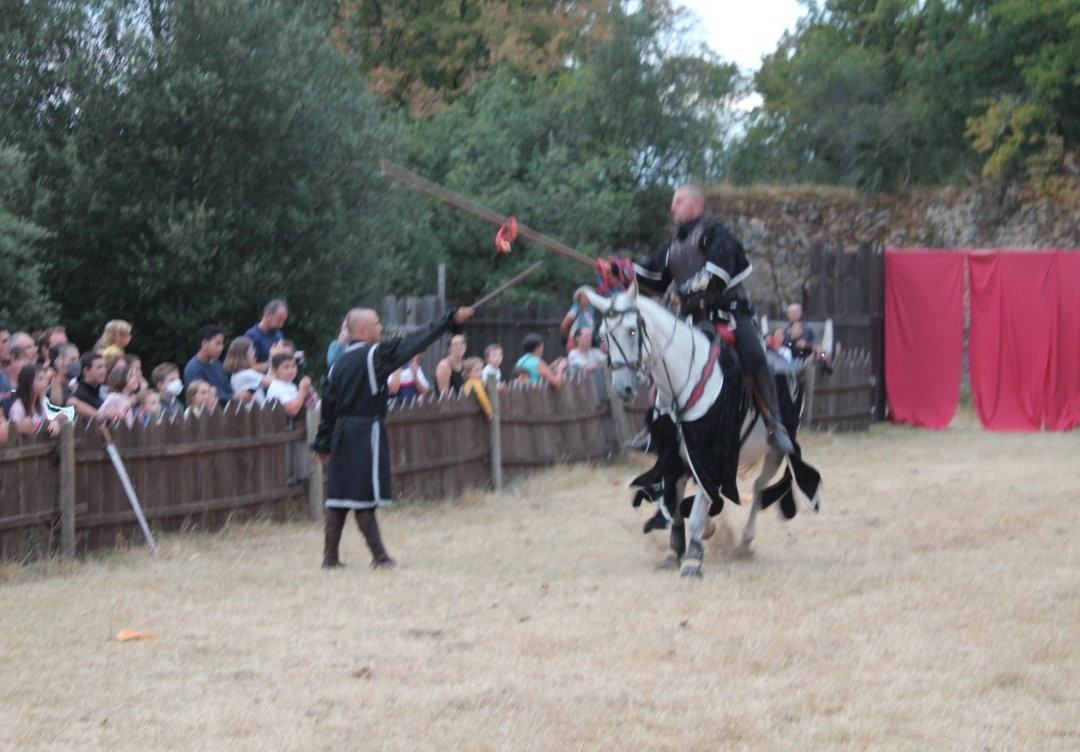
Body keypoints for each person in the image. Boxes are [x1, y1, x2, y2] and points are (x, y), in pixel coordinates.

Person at [628, 183, 794, 455]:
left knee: (754, 355)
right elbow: (647, 277)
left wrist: (683, 290)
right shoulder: (673, 247)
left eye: (678, 201)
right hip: (691, 322)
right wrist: (618, 270)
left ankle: (775, 423)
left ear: (696, 205)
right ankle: (656, 429)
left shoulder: (717, 234)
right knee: (662, 363)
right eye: (673, 202)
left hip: (729, 315)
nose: (672, 207)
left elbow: (717, 277)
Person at [312, 304, 474, 569]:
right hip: (365, 431)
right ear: (364, 329)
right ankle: (380, 557)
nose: (381, 327)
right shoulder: (374, 355)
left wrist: (324, 443)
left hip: (342, 432)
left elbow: (327, 410)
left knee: (339, 496)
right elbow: (413, 342)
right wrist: (450, 319)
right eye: (377, 323)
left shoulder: (336, 364)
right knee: (363, 496)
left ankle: (330, 557)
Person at [183, 325, 236, 407]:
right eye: (218, 343)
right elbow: (200, 396)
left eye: (222, 344)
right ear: (205, 343)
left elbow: (227, 387)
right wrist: (231, 397)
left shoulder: (217, 364)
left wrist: (236, 396)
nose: (221, 348)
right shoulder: (193, 368)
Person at [8, 363, 62, 437]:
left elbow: (45, 423)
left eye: (46, 378)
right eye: (40, 379)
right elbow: (13, 433)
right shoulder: (18, 408)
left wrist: (53, 423)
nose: (46, 382)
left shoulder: (39, 405)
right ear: (29, 382)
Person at [244, 299, 288, 372]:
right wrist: (271, 363)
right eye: (278, 320)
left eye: (283, 321)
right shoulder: (251, 336)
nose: (281, 325)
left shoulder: (279, 335)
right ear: (267, 315)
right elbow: (245, 368)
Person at [224, 335, 269, 406]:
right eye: (252, 350)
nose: (254, 354)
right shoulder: (246, 374)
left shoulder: (237, 374)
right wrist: (274, 359)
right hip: (254, 414)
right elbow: (271, 382)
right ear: (244, 355)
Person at [265, 352, 312, 418]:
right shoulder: (277, 387)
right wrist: (303, 390)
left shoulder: (290, 385)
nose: (291, 370)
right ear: (275, 371)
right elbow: (292, 411)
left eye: (293, 366)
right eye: (286, 367)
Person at [73, 351, 108, 417]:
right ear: (86, 371)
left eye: (105, 366)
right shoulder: (79, 395)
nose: (104, 370)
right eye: (99, 367)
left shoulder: (97, 394)